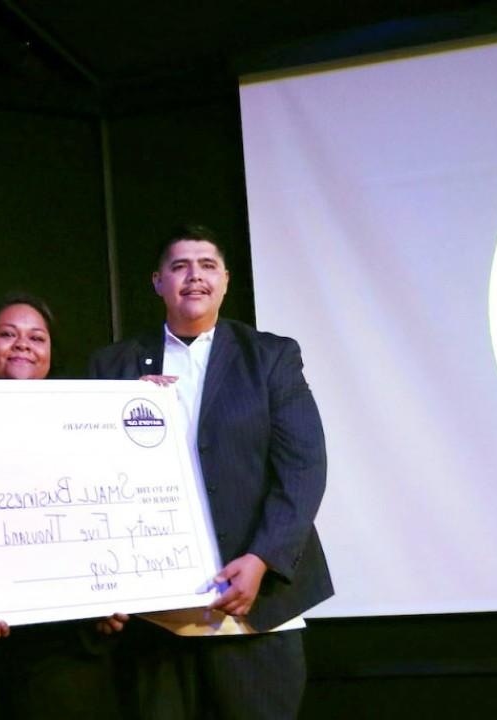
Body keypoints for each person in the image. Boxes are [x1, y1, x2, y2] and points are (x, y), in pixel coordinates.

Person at [88, 225, 330, 719]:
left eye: (206, 266)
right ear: (158, 282)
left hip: (256, 609)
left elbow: (304, 466)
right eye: (179, 266)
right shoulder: (114, 366)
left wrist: (263, 557)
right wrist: (119, 408)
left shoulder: (269, 356)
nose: (193, 277)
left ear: (225, 281)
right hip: (153, 618)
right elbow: (86, 475)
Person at [0, 293, 123, 720]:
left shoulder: (89, 428)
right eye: (7, 334)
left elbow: (114, 516)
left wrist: (121, 592)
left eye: (37, 337)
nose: (22, 345)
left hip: (67, 652)